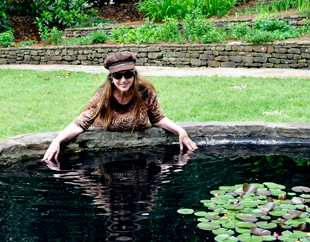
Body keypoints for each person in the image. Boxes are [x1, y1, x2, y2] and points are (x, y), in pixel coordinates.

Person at [42, 51, 197, 162]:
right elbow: (80, 123)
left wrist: (180, 131)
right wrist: (57, 141)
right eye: (117, 76)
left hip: (140, 158)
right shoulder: (103, 96)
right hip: (106, 158)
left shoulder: (146, 94)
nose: (123, 80)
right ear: (111, 78)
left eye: (128, 74)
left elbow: (157, 119)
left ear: (134, 75)